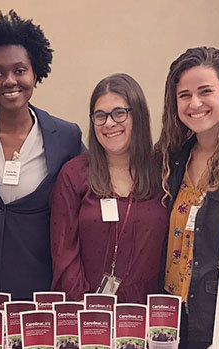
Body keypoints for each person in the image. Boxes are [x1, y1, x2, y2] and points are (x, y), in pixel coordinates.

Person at [0, 10, 84, 300]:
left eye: (20, 70)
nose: (10, 81)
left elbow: (87, 193)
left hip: (36, 288)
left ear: (36, 72)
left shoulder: (67, 136)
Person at [50, 74, 167, 303]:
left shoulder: (162, 172)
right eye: (100, 116)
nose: (109, 123)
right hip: (88, 312)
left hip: (148, 311)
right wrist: (88, 310)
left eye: (119, 113)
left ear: (139, 115)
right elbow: (64, 254)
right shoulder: (74, 175)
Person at [157, 47, 219, 349]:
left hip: (212, 319)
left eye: (206, 91)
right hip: (171, 317)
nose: (195, 103)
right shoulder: (172, 160)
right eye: (184, 95)